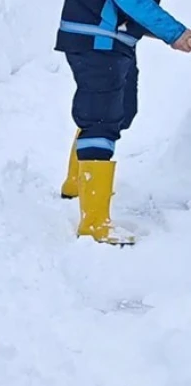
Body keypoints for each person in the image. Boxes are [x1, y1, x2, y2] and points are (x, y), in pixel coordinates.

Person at [54, 0, 191, 245]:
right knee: (101, 120)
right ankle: (94, 223)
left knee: (123, 111)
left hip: (114, 38)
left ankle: (77, 181)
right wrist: (175, 33)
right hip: (96, 36)